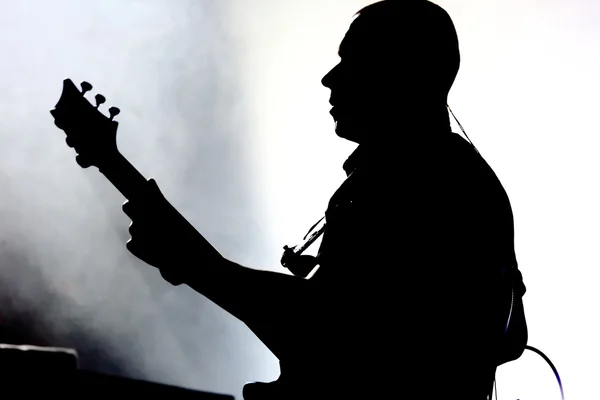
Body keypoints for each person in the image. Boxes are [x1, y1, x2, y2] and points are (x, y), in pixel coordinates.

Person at [122, 1, 528, 398]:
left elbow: (333, 333)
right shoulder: (466, 179)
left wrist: (203, 267)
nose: (330, 79)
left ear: (399, 74)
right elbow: (510, 339)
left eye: (351, 61)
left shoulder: (424, 184)